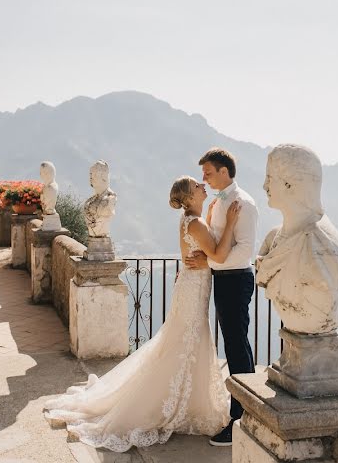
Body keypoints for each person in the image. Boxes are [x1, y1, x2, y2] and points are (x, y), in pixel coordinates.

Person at [43, 176, 240, 452]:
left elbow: (202, 252)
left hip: (190, 286)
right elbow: (219, 255)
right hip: (194, 290)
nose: (203, 187)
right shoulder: (195, 223)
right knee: (186, 343)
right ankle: (174, 403)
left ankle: (185, 399)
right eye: (197, 186)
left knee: (182, 343)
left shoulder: (189, 220)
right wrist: (230, 223)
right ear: (188, 196)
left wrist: (207, 235)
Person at [185, 147, 259, 446]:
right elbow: (217, 242)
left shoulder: (245, 204)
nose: (204, 178)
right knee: (235, 345)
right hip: (223, 279)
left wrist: (209, 262)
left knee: (237, 347)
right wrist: (208, 259)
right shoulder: (218, 202)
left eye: (208, 173)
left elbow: (244, 251)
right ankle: (248, 408)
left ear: (225, 171)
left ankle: (240, 418)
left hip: (236, 279)